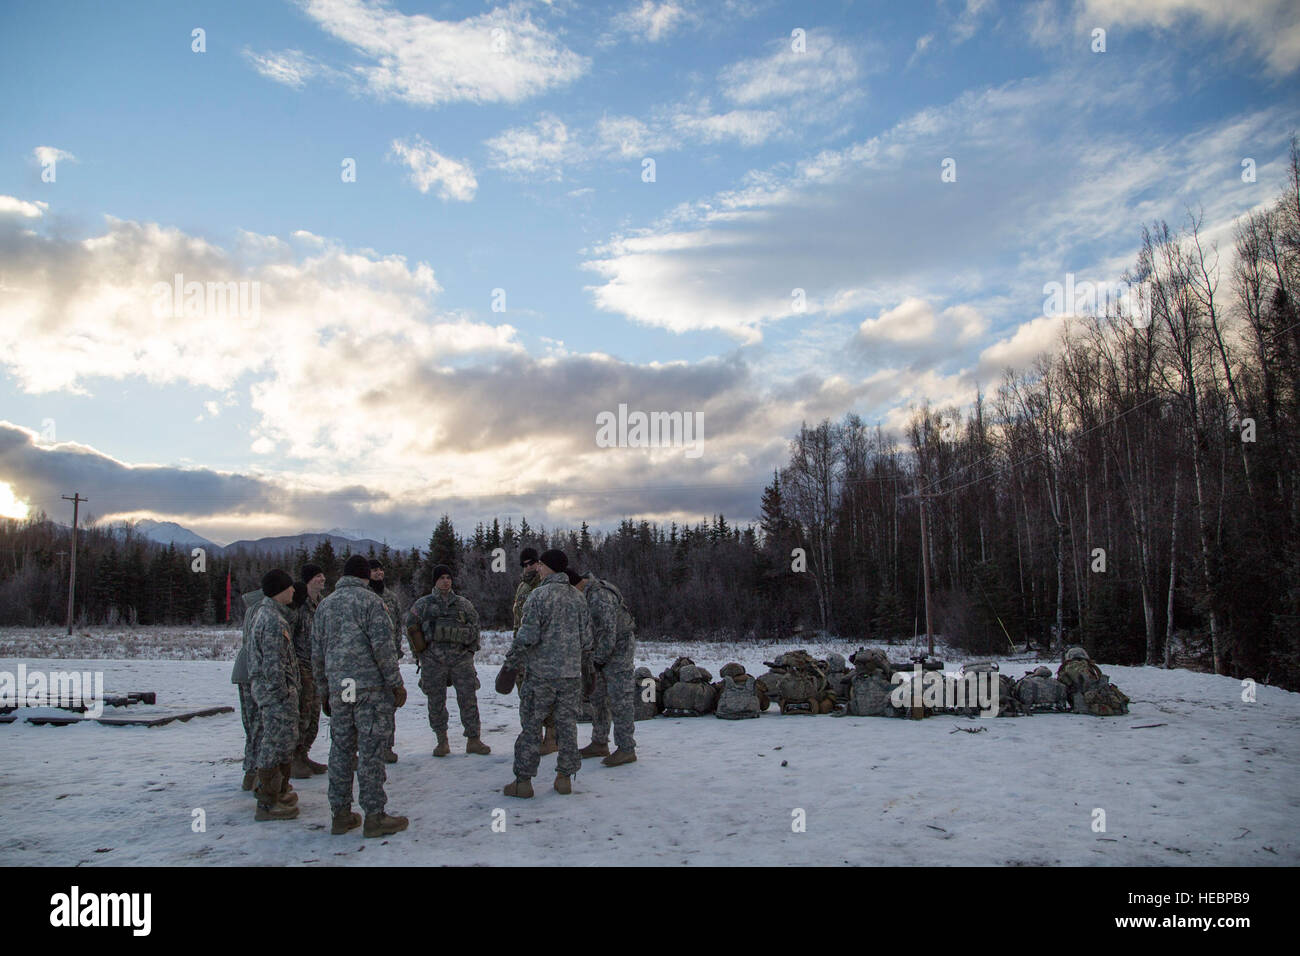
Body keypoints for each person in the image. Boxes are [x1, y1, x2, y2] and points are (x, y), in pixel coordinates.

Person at [313, 553, 408, 838]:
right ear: (365, 576)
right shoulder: (372, 602)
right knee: (370, 752)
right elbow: (383, 648)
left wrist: (323, 691)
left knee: (340, 751)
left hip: (340, 688)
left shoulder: (325, 605)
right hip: (369, 689)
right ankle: (375, 816)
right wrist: (396, 684)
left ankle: (341, 814)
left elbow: (317, 653)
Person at [502, 549, 591, 797]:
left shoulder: (538, 596)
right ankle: (564, 778)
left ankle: (523, 782)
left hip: (540, 676)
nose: (537, 569)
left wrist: (510, 665)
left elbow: (527, 636)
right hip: (571, 676)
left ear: (548, 567)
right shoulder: (578, 598)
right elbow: (587, 640)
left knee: (531, 727)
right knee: (567, 726)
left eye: (540, 565)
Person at [406, 565, 490, 757]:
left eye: (448, 577)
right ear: (435, 581)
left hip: (461, 660)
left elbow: (475, 626)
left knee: (468, 700)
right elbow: (411, 628)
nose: (446, 581)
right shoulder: (423, 605)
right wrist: (419, 653)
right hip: (433, 661)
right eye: (442, 578)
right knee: (436, 702)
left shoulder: (463, 604)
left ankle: (474, 740)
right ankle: (441, 741)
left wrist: (470, 651)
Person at [247, 569, 301, 821]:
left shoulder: (270, 615)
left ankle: (278, 792)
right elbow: (273, 664)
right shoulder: (271, 620)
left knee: (282, 742)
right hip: (275, 695)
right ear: (280, 590)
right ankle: (267, 802)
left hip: (277, 693)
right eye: (289, 587)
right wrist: (283, 694)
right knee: (274, 743)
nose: (293, 591)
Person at [575, 572, 638, 766]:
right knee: (597, 697)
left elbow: (608, 634)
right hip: (599, 651)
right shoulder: (585, 595)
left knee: (620, 698)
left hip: (618, 650)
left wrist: (598, 661)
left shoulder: (600, 596)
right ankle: (599, 742)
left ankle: (626, 748)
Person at [513, 548, 556, 755]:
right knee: (525, 696)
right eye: (525, 564)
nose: (529, 567)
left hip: (543, 652)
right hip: (523, 651)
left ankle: (550, 738)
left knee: (547, 696)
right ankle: (533, 737)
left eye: (532, 563)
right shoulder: (522, 587)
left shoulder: (546, 586)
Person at [290, 564, 328, 778]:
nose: (322, 579)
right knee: (302, 714)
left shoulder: (321, 604)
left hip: (317, 667)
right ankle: (294, 758)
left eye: (322, 575)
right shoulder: (298, 605)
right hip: (301, 665)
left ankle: (304, 754)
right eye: (317, 576)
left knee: (314, 714)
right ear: (307, 580)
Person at [369, 558, 404, 763]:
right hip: (367, 662)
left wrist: (396, 650)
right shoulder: (364, 597)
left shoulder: (390, 597)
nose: (379, 573)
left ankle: (387, 746)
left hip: (389, 658)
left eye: (381, 570)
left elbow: (398, 624)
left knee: (389, 703)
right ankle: (366, 747)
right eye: (374, 570)